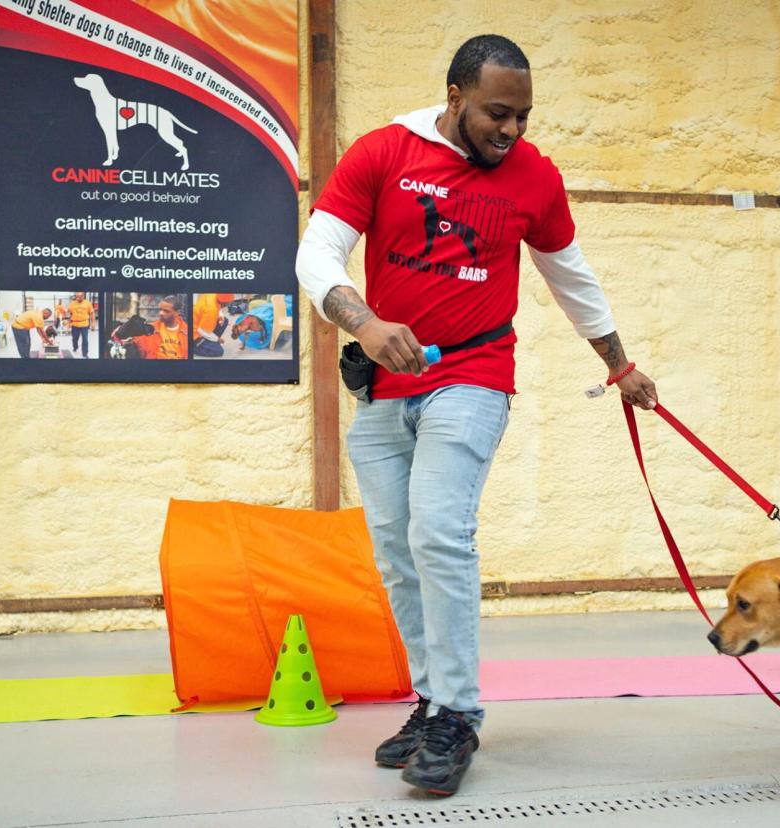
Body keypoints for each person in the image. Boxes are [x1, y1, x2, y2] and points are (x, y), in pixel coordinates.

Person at [295, 34, 658, 797]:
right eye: (498, 113)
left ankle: (458, 713)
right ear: (455, 96)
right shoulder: (384, 152)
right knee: (397, 549)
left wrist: (617, 364)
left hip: (475, 375)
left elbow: (572, 278)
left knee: (438, 531)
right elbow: (316, 253)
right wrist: (362, 322)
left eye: (523, 116)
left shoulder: (533, 178)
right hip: (384, 385)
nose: (512, 131)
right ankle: (432, 701)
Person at [192, 293, 232, 357]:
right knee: (218, 351)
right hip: (195, 334)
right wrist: (217, 339)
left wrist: (220, 315)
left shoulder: (213, 295)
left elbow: (218, 307)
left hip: (200, 321)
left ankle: (208, 341)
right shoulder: (211, 310)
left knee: (224, 321)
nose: (229, 304)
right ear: (224, 303)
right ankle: (193, 348)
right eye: (228, 303)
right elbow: (201, 330)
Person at [68, 292, 95, 358]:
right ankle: (75, 346)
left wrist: (93, 323)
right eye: (77, 297)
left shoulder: (88, 303)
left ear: (83, 296)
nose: (78, 298)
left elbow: (92, 313)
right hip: (75, 324)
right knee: (75, 338)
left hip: (84, 324)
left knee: (85, 339)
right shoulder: (72, 304)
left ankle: (85, 353)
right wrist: (69, 323)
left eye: (80, 297)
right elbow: (70, 314)